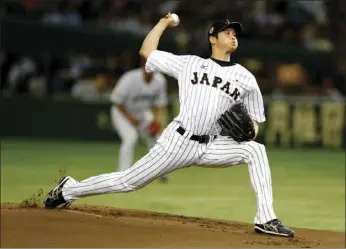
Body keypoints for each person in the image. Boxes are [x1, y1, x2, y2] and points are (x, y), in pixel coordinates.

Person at [44, 14, 295, 237]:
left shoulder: (246, 78)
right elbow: (147, 51)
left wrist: (250, 131)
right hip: (179, 141)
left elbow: (255, 120)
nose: (233, 36)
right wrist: (164, 23)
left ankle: (266, 219)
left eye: (235, 33)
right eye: (227, 32)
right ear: (212, 38)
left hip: (211, 145)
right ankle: (69, 190)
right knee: (128, 181)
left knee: (255, 150)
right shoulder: (190, 64)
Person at [109, 59, 168, 182]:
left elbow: (159, 105)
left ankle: (160, 172)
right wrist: (130, 117)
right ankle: (122, 174)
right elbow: (116, 101)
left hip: (142, 113)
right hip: (122, 113)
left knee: (158, 138)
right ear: (143, 67)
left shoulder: (160, 80)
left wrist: (156, 121)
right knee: (130, 138)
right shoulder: (129, 78)